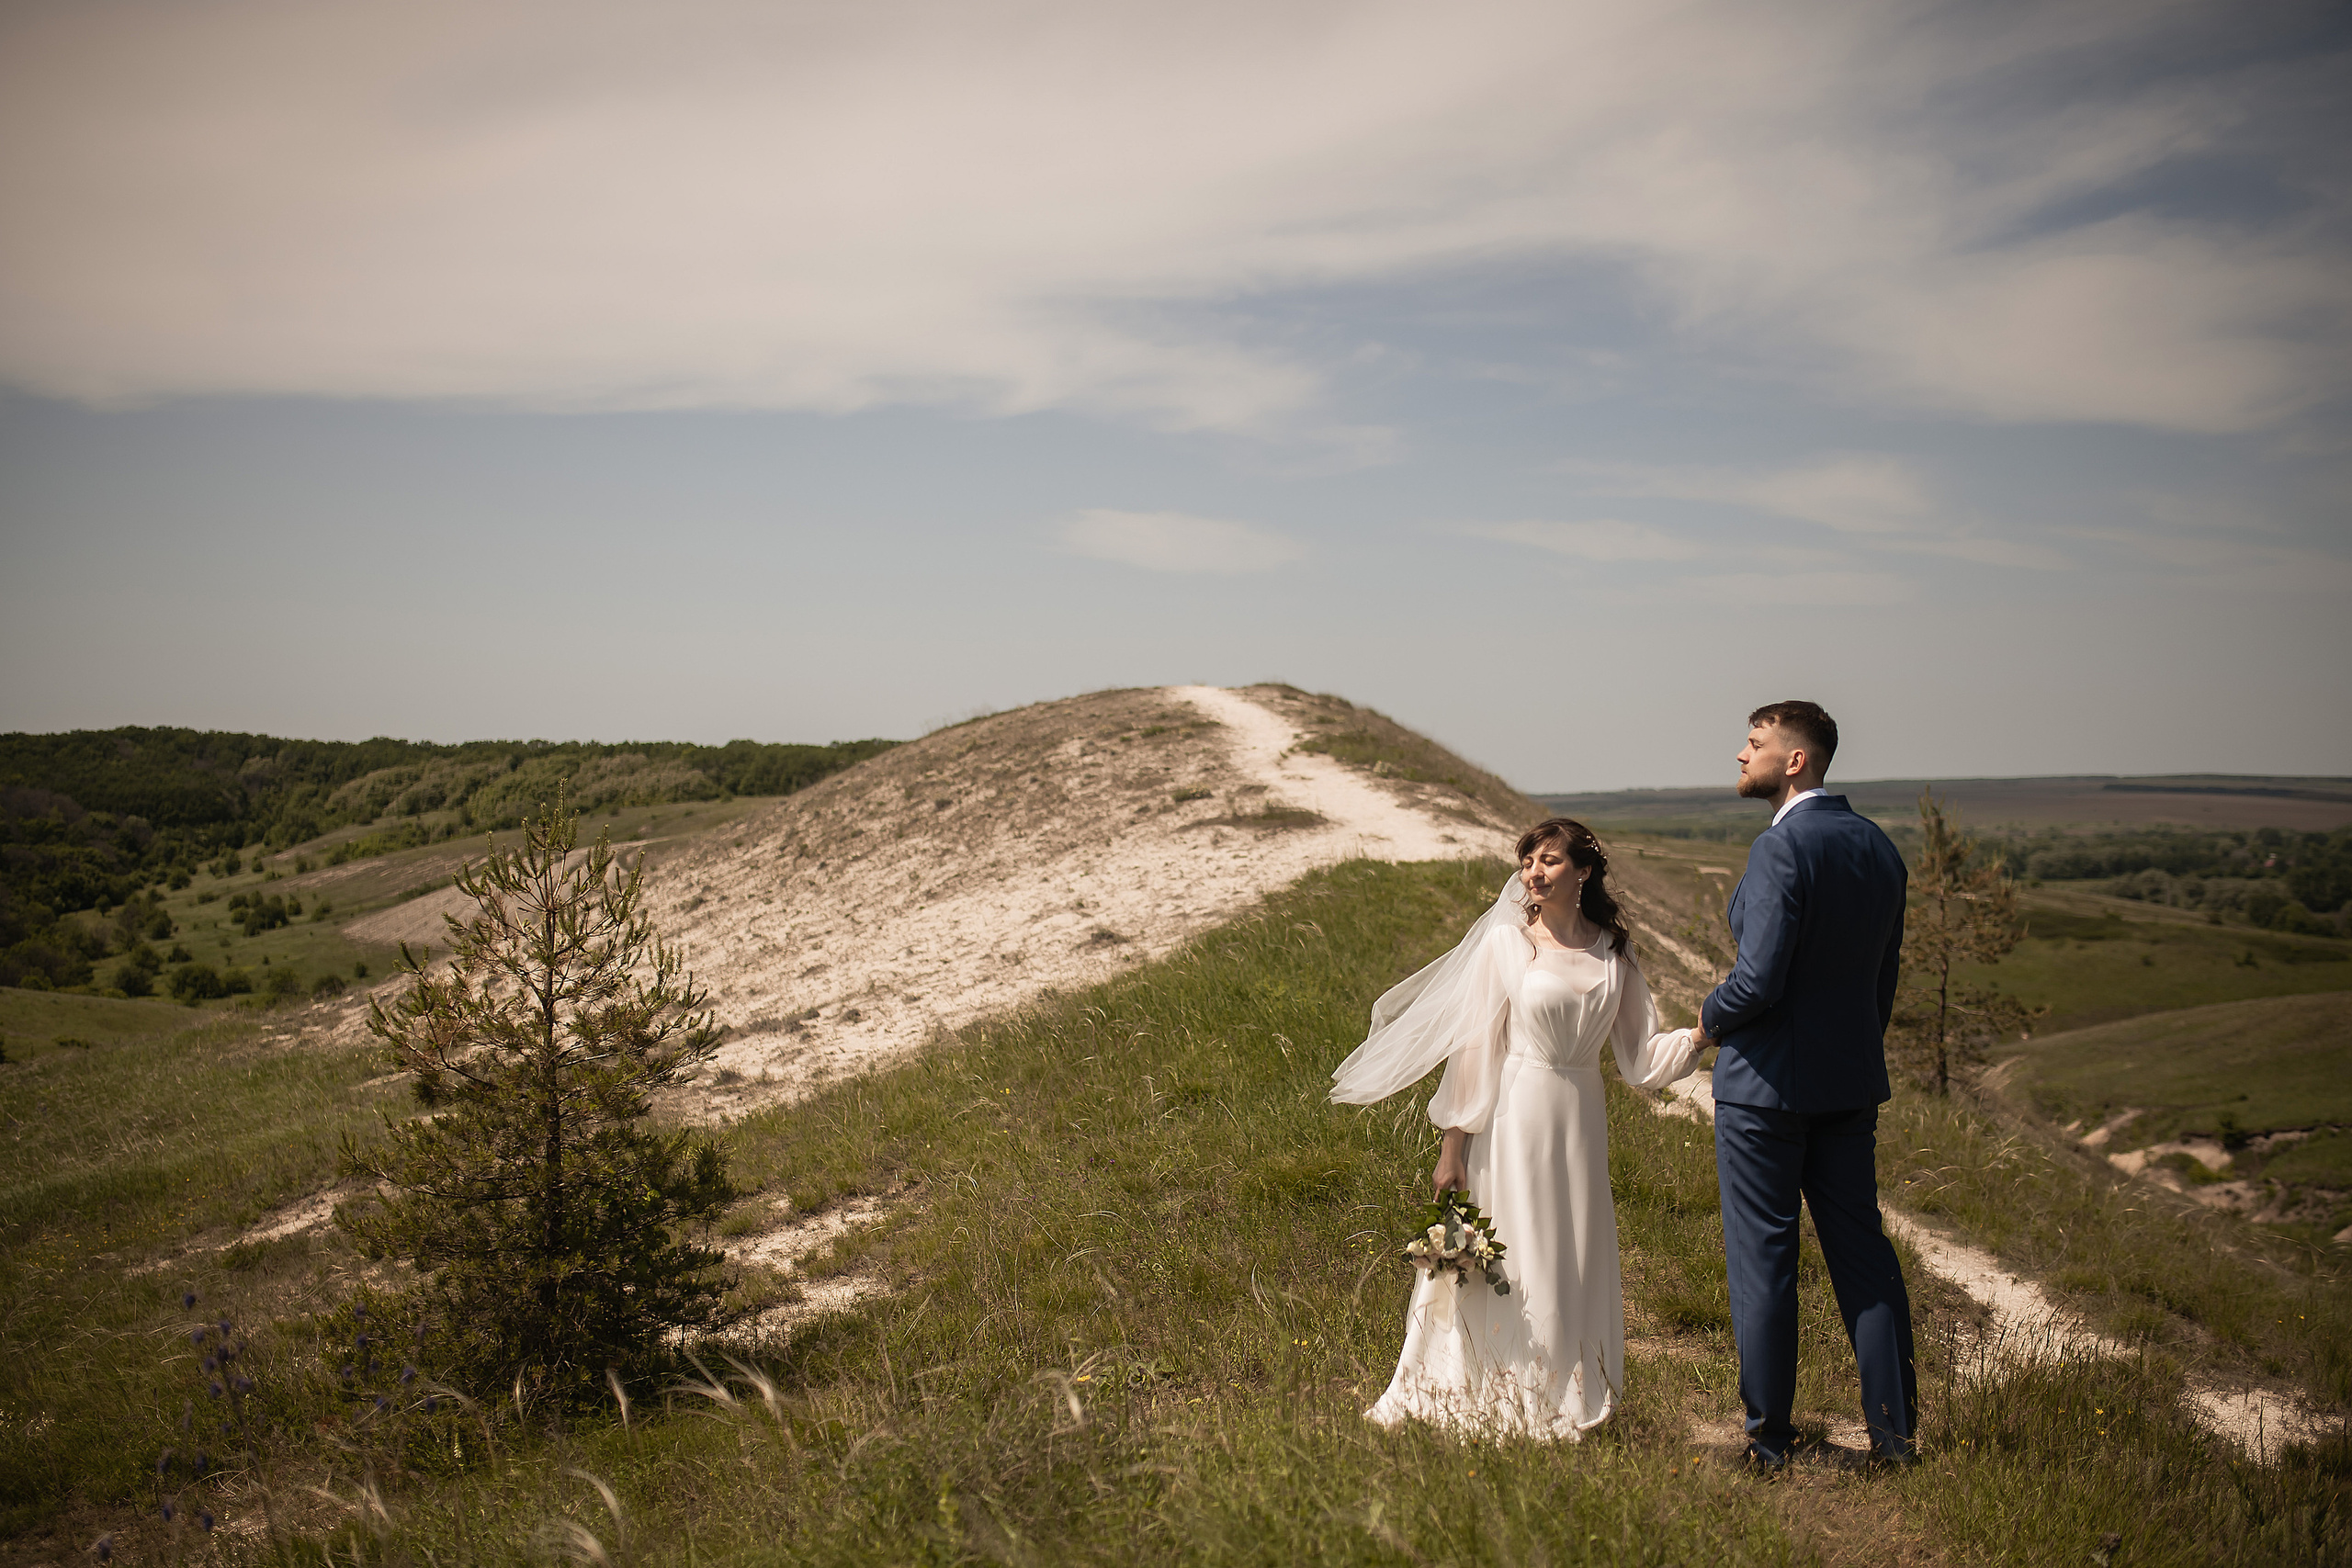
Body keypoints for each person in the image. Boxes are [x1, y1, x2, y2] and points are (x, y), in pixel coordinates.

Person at [1330, 818, 1704, 1438]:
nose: (1534, 870)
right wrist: (1453, 1147)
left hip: (1580, 1119)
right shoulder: (1506, 943)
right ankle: (1482, 1382)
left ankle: (1565, 1384)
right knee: (1508, 1251)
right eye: (1528, 858)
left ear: (1583, 870)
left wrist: (1698, 1035)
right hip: (1510, 1119)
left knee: (1571, 1250)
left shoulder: (1614, 950)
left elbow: (1639, 1059)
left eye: (1550, 859)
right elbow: (1474, 1050)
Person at [1691, 700, 1917, 1469]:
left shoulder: (1780, 849)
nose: (1740, 755)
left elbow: (1757, 980)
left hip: (1765, 1091)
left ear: (1796, 760)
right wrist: (1852, 1051)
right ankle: (1894, 1439)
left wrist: (1706, 1018)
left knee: (1765, 1262)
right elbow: (1880, 982)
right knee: (1865, 1258)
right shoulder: (1881, 850)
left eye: (1753, 744)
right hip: (1849, 1085)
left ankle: (1769, 1444)